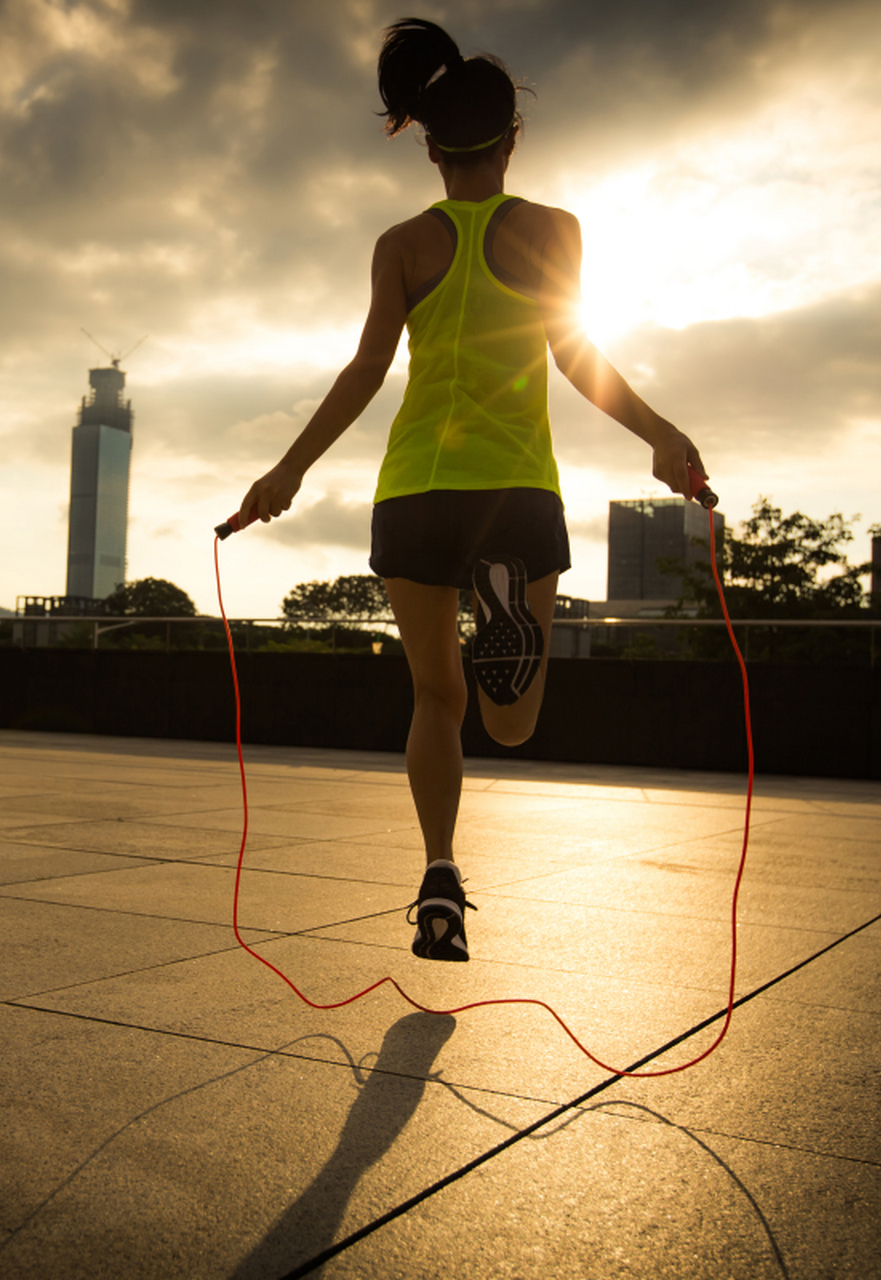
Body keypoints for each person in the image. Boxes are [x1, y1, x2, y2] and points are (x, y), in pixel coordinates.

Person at [233, 17, 707, 963]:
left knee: (432, 698)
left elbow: (368, 369)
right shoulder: (551, 230)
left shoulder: (402, 244)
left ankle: (440, 873)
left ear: (427, 145)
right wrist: (661, 435)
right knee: (513, 722)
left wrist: (286, 472)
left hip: (414, 491)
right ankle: (507, 617)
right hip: (515, 494)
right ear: (511, 140)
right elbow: (575, 355)